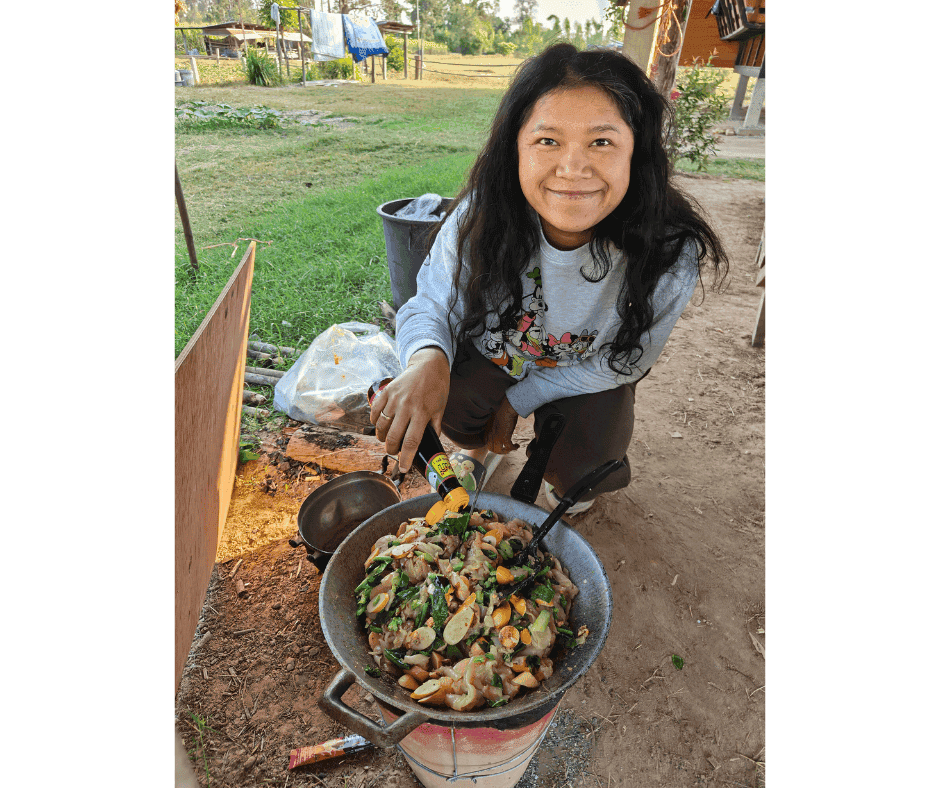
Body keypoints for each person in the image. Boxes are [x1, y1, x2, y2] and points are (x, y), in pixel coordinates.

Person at [370, 43, 728, 515]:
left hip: (587, 370)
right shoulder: (481, 219)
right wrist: (426, 360)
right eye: (548, 141)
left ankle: (566, 477)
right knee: (449, 398)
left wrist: (520, 400)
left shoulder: (668, 254)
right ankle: (475, 451)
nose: (572, 169)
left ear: (635, 152)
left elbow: (627, 361)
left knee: (586, 462)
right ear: (515, 147)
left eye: (601, 141)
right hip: (498, 356)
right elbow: (433, 302)